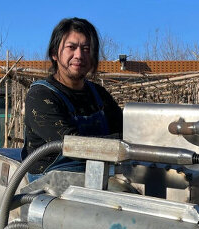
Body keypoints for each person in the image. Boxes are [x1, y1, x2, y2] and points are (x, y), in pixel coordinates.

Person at [21, 17, 123, 179]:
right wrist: (123, 145)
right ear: (54, 53)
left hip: (98, 177)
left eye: (86, 48)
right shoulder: (41, 96)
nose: (79, 55)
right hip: (48, 187)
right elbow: (72, 145)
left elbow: (124, 129)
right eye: (71, 47)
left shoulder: (99, 95)